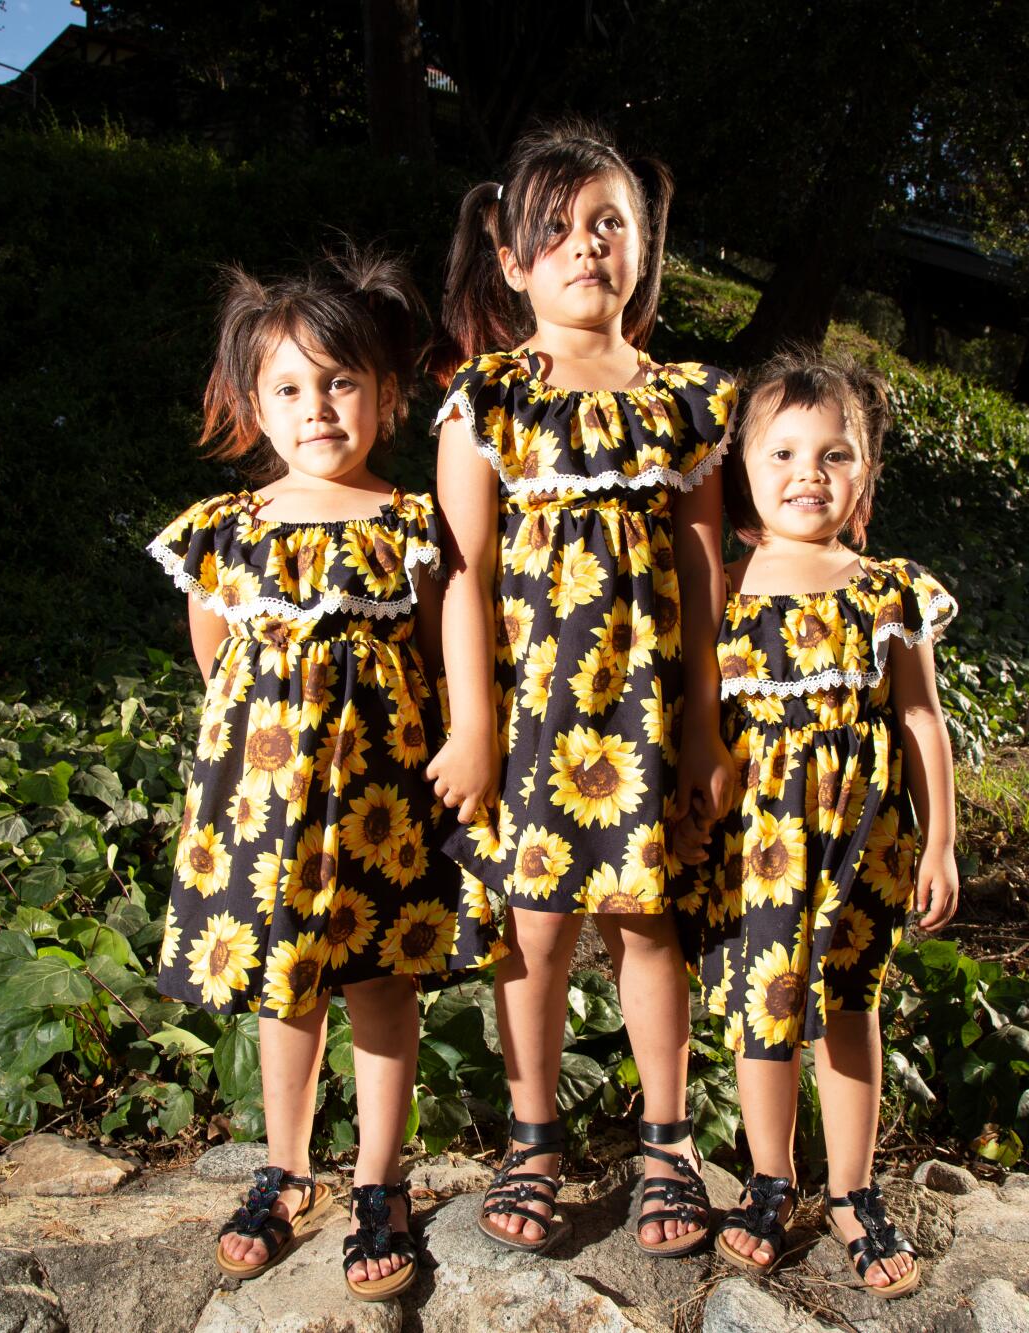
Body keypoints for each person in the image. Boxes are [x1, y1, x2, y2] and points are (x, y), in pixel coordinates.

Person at [147, 247, 502, 1301]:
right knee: (283, 987)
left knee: (380, 984)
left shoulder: (409, 528)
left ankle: (381, 1180)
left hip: (385, 807)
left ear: (386, 394)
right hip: (265, 812)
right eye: (290, 388)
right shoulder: (228, 530)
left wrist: (467, 735)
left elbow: (449, 646)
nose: (317, 408)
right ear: (253, 404)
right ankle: (285, 1166)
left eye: (341, 382)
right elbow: (217, 656)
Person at [429, 119, 738, 1258]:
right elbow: (459, 574)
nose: (585, 246)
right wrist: (469, 724)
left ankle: (666, 1140)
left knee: (646, 926)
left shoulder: (687, 402)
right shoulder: (487, 400)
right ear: (510, 261)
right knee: (537, 930)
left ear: (646, 246)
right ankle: (534, 1136)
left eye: (610, 223)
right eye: (553, 229)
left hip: (651, 715)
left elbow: (705, 572)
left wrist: (703, 724)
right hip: (529, 717)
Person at [681, 350, 959, 1299]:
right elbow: (700, 715)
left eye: (835, 455)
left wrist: (943, 839)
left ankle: (851, 1189)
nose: (810, 474)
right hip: (759, 842)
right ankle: (769, 1181)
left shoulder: (887, 590)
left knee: (850, 1005)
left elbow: (921, 717)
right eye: (785, 453)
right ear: (743, 472)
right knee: (766, 1009)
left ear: (865, 475)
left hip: (862, 840)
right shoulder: (725, 584)